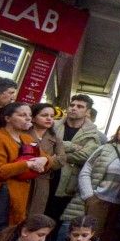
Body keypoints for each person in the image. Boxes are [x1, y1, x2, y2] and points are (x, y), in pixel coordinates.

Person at [46, 94, 105, 225]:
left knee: (54, 223)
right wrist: (72, 147)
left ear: (87, 112)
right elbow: (45, 148)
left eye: (80, 106)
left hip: (67, 186)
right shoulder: (53, 126)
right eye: (72, 105)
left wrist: (58, 150)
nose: (74, 108)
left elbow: (86, 156)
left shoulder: (93, 134)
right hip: (45, 178)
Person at [0, 103, 48, 226]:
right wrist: (27, 164)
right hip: (3, 193)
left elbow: (46, 157)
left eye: (30, 115)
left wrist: (44, 160)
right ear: (7, 118)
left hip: (20, 194)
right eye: (22, 115)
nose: (28, 118)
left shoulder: (26, 138)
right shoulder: (0, 138)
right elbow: (0, 171)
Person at [27, 103, 64, 219]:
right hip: (22, 178)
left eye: (52, 116)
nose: (49, 118)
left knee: (34, 216)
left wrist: (46, 161)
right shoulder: (23, 133)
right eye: (44, 115)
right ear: (33, 118)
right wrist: (50, 157)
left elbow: (62, 159)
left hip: (43, 181)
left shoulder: (55, 138)